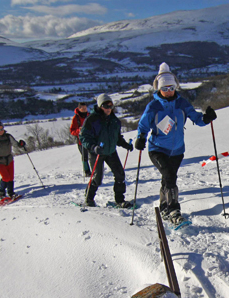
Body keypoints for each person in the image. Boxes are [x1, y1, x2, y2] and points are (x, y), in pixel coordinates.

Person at [134, 62, 217, 226]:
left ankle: (164, 206)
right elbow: (143, 125)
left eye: (171, 88)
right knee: (169, 176)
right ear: (159, 89)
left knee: (168, 179)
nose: (168, 91)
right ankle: (174, 211)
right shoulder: (154, 106)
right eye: (165, 88)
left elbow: (196, 118)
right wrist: (141, 137)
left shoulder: (182, 104)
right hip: (157, 149)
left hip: (177, 150)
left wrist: (206, 118)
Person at [79, 94, 134, 208]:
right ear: (100, 106)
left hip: (110, 151)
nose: (109, 108)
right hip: (96, 152)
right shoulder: (92, 120)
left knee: (120, 175)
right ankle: (89, 199)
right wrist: (93, 147)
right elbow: (84, 137)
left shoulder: (114, 120)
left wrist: (125, 145)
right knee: (97, 178)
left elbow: (117, 137)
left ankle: (119, 200)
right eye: (105, 106)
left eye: (110, 106)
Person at [0, 120, 26, 199]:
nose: (0, 131)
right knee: (6, 177)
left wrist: (21, 144)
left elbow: (16, 145)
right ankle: (1, 192)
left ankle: (11, 192)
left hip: (9, 159)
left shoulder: (8, 136)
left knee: (10, 177)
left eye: (2, 129)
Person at [70, 102, 92, 177]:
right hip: (81, 141)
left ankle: (96, 169)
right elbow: (72, 131)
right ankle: (87, 171)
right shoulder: (75, 118)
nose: (85, 110)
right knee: (84, 156)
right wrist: (79, 131)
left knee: (93, 154)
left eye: (85, 108)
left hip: (91, 139)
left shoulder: (90, 116)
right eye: (83, 108)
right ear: (79, 109)